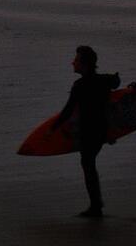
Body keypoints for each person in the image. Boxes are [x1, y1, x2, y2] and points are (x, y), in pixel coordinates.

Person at [51, 44, 121, 218]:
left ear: (84, 64)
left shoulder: (80, 85)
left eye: (75, 60)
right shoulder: (103, 80)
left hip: (89, 132)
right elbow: (116, 82)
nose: (72, 63)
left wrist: (52, 129)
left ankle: (96, 206)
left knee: (88, 164)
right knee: (89, 164)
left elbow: (67, 111)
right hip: (103, 130)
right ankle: (96, 204)